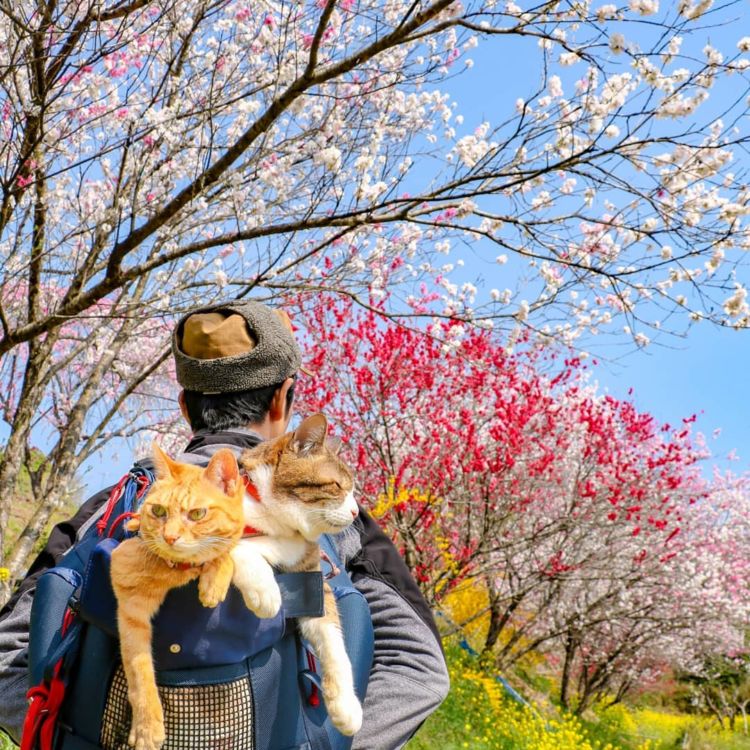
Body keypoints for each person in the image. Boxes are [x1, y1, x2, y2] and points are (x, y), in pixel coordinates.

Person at [0, 300, 449, 750]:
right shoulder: (334, 518)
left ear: (184, 405)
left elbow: (8, 655)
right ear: (282, 398)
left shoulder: (118, 504)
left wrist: (62, 738)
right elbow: (419, 669)